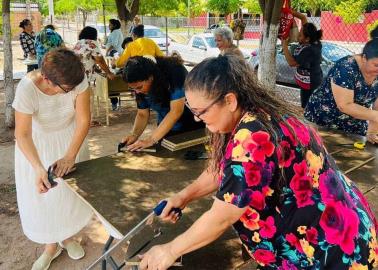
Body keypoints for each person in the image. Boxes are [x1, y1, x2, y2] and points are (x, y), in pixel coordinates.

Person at [137, 55, 378, 270]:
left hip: (331, 248)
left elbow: (223, 215)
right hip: (341, 225)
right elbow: (224, 171)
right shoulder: (258, 111)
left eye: (201, 111)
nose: (197, 118)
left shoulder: (252, 137)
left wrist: (170, 250)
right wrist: (183, 197)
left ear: (229, 101)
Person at [12, 48, 93, 270]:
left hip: (70, 141)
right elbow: (22, 134)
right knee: (44, 197)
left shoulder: (76, 79)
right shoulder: (27, 88)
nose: (71, 92)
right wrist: (38, 168)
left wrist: (70, 155)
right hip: (37, 146)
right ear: (47, 79)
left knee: (67, 195)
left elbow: (83, 120)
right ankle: (51, 246)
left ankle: (67, 238)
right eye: (66, 90)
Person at [121, 56, 203, 151]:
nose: (137, 92)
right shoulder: (139, 86)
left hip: (193, 126)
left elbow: (176, 111)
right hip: (166, 128)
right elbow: (142, 114)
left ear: (151, 78)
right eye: (132, 88)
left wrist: (151, 139)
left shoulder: (176, 72)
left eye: (139, 87)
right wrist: (134, 135)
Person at [304, 37, 378, 143]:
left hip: (353, 124)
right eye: (376, 65)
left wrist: (372, 132)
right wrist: (375, 116)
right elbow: (345, 105)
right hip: (323, 120)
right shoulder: (346, 68)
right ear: (364, 58)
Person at [73, 26, 115, 123]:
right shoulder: (91, 43)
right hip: (83, 76)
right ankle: (88, 121)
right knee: (87, 97)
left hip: (74, 74)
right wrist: (108, 72)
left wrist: (100, 71)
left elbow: (89, 59)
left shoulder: (79, 43)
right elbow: (99, 59)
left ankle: (80, 120)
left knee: (78, 98)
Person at [282, 11, 323, 108]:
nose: (298, 36)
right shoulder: (312, 38)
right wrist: (287, 10)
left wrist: (284, 45)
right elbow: (303, 17)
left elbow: (292, 63)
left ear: (307, 39)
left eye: (300, 35)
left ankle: (307, 120)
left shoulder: (309, 50)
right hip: (309, 80)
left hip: (310, 82)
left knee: (306, 106)